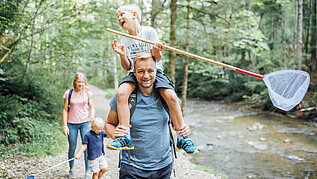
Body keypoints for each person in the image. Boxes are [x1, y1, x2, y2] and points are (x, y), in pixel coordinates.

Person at [107, 4, 199, 155]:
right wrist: (122, 55)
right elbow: (127, 66)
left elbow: (156, 58)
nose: (119, 19)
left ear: (134, 14)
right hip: (134, 73)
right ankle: (125, 136)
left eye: (122, 14)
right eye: (117, 17)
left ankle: (183, 137)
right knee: (122, 93)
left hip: (154, 71)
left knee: (170, 96)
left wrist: (156, 50)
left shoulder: (149, 31)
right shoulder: (124, 39)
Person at [105, 52, 194, 179]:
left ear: (156, 71)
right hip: (132, 167)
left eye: (150, 71)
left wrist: (184, 129)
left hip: (163, 168)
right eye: (141, 71)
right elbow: (108, 124)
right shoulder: (125, 98)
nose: (146, 76)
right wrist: (115, 134)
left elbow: (177, 125)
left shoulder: (167, 97)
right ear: (134, 72)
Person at [62, 72, 95, 179]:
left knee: (86, 146)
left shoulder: (88, 93)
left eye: (82, 82)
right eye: (78, 82)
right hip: (71, 124)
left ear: (85, 82)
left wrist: (92, 116)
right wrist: (65, 125)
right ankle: (71, 169)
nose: (80, 84)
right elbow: (65, 110)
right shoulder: (69, 93)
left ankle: (87, 171)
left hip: (85, 123)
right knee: (72, 147)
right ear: (75, 82)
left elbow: (91, 107)